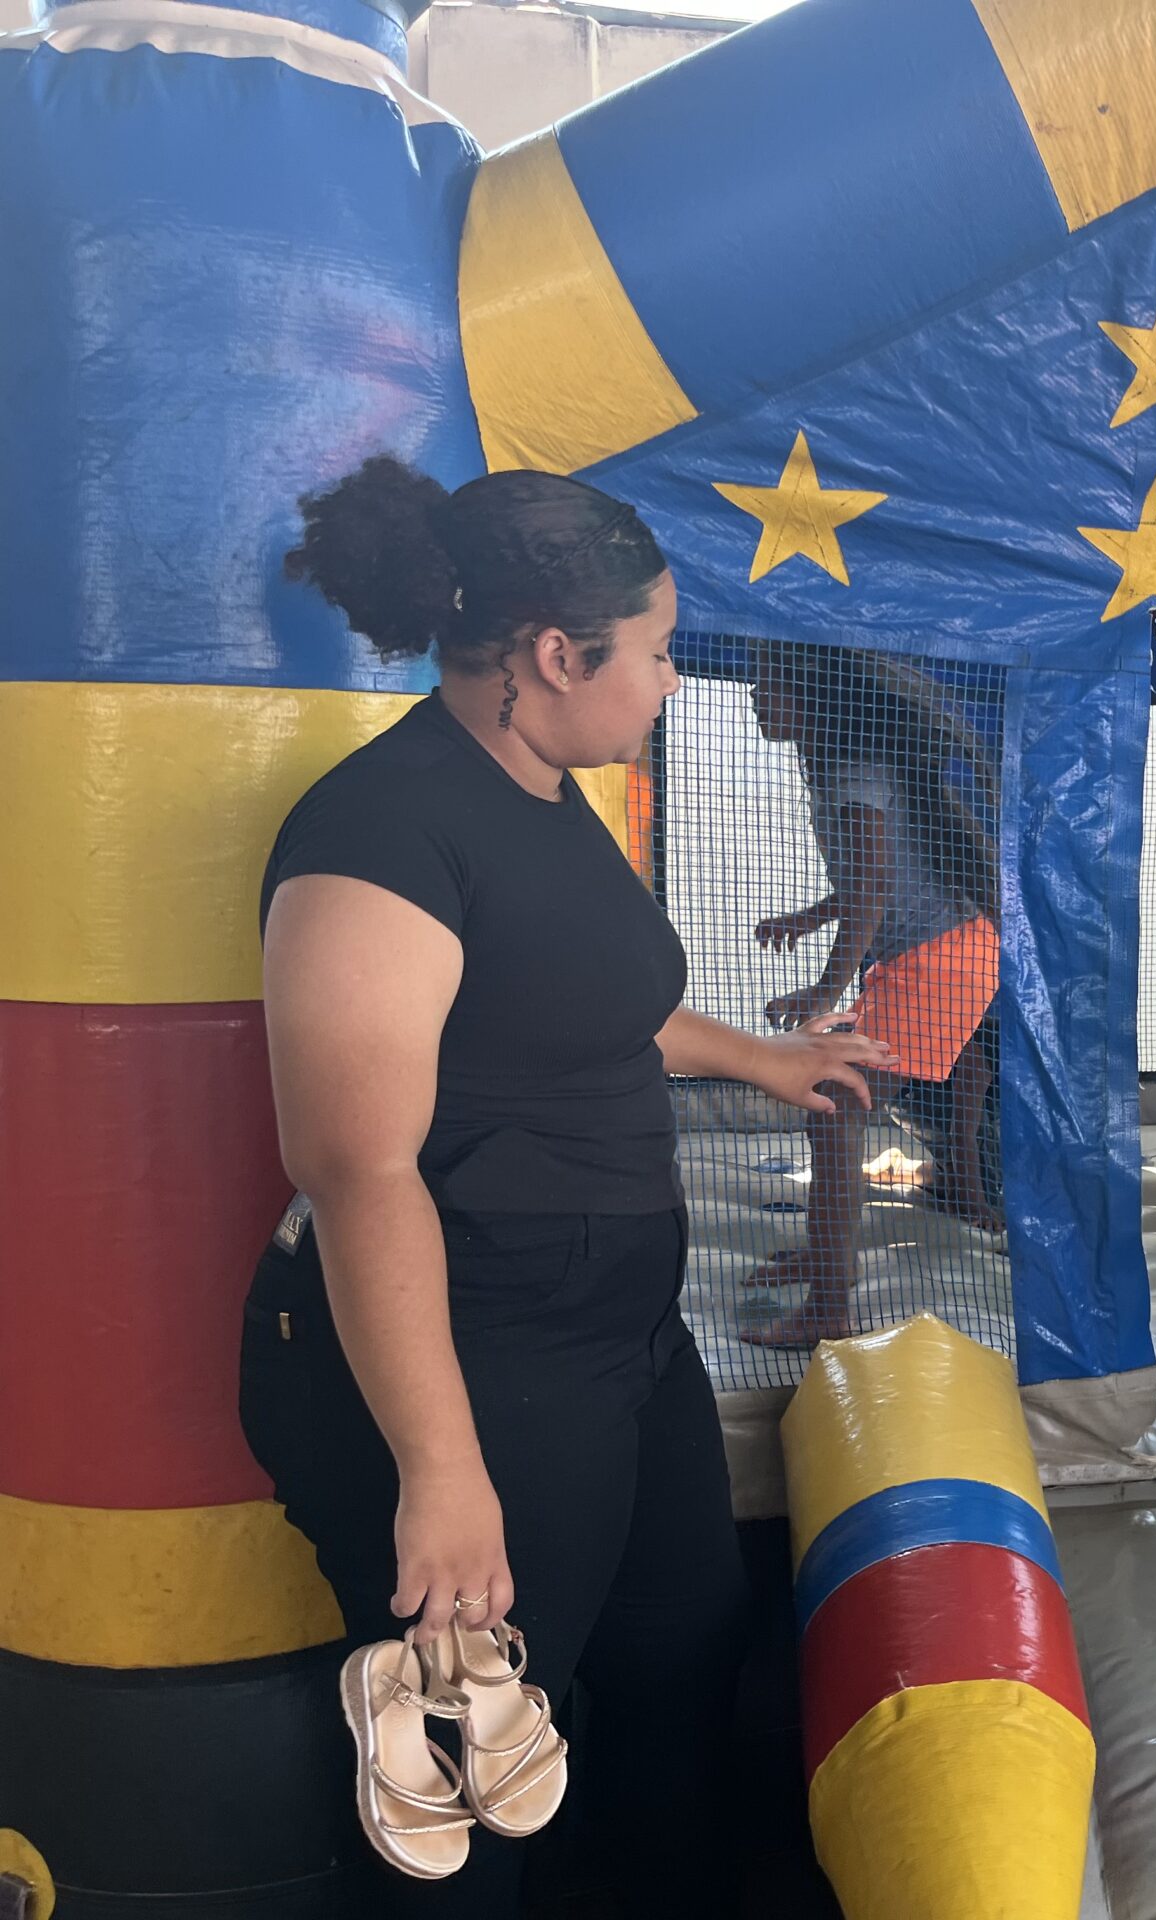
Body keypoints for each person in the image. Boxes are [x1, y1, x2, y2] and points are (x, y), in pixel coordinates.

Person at [241, 457, 896, 1917]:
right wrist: (441, 1468)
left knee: (679, 1652)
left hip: (616, 1334)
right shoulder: (378, 835)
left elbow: (590, 996)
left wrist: (763, 1060)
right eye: (656, 652)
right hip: (475, 1344)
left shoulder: (543, 789)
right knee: (472, 1763)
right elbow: (356, 1169)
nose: (670, 682)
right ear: (555, 654)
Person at [744, 643, 1003, 1345]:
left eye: (768, 685)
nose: (756, 698)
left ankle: (829, 1304)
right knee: (966, 1068)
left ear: (813, 695)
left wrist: (826, 991)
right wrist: (809, 918)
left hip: (940, 957)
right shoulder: (841, 767)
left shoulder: (851, 769)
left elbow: (874, 886)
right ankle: (942, 1198)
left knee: (834, 1108)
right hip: (949, 948)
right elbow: (880, 874)